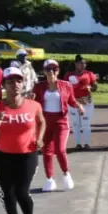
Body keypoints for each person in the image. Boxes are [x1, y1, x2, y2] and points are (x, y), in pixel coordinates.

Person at [0, 66, 46, 214]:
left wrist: (39, 138)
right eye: (10, 82)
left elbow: (41, 121)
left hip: (27, 155)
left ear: (23, 83)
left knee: (21, 192)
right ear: (4, 85)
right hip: (2, 156)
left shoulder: (33, 105)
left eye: (18, 81)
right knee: (7, 193)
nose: (14, 85)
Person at [32, 59, 86, 192]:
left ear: (58, 71)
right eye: (48, 69)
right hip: (45, 122)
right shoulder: (39, 87)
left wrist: (79, 106)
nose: (51, 72)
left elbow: (71, 100)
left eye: (54, 69)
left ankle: (66, 174)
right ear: (44, 71)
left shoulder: (66, 85)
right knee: (47, 152)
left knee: (60, 149)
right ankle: (49, 179)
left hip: (61, 121)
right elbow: (34, 103)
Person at [65, 55, 97, 150]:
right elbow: (64, 88)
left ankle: (86, 144)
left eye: (84, 63)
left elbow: (95, 87)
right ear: (76, 64)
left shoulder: (89, 74)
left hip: (86, 102)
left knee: (86, 123)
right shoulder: (69, 75)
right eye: (80, 63)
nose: (83, 65)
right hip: (73, 102)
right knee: (75, 124)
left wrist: (90, 88)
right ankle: (78, 144)